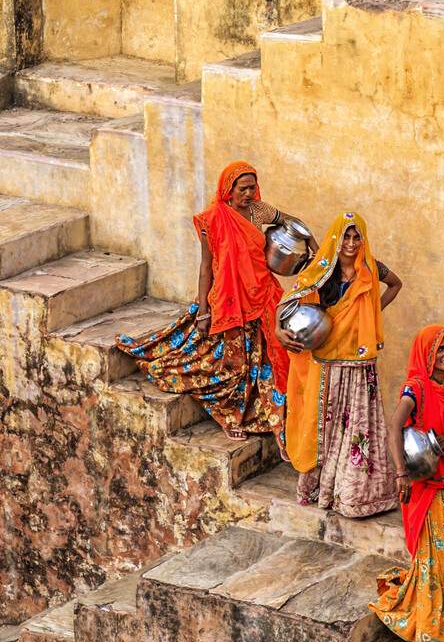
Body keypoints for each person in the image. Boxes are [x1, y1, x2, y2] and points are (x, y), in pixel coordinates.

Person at [120, 161, 294, 440]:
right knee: (231, 366)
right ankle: (230, 417)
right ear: (229, 188)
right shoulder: (212, 219)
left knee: (262, 365)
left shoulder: (259, 211)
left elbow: (292, 223)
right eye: (243, 188)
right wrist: (203, 310)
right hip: (228, 299)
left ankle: (259, 414)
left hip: (260, 296)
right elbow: (206, 266)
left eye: (252, 187)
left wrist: (313, 248)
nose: (248, 193)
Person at [369, 324, 444, 642]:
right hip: (427, 480)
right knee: (437, 552)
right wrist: (400, 474)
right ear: (428, 355)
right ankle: (433, 626)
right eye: (441, 350)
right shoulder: (416, 388)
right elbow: (394, 426)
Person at [283, 213, 403, 518]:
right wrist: (277, 329)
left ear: (363, 239)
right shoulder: (325, 271)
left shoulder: (371, 269)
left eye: (356, 237)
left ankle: (355, 493)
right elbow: (289, 300)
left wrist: (372, 313)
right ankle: (320, 487)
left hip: (359, 362)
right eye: (346, 237)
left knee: (359, 427)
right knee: (325, 424)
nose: (351, 243)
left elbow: (395, 284)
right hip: (327, 360)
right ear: (337, 239)